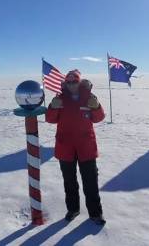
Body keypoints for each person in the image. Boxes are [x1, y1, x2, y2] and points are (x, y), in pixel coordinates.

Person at [45, 69, 106, 225]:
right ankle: (73, 209)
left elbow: (98, 118)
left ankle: (95, 213)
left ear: (79, 82)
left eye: (75, 82)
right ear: (65, 83)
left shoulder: (88, 97)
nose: (72, 84)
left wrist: (97, 106)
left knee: (91, 182)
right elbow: (50, 119)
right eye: (69, 82)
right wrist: (53, 106)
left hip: (86, 147)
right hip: (65, 147)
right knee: (69, 182)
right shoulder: (60, 98)